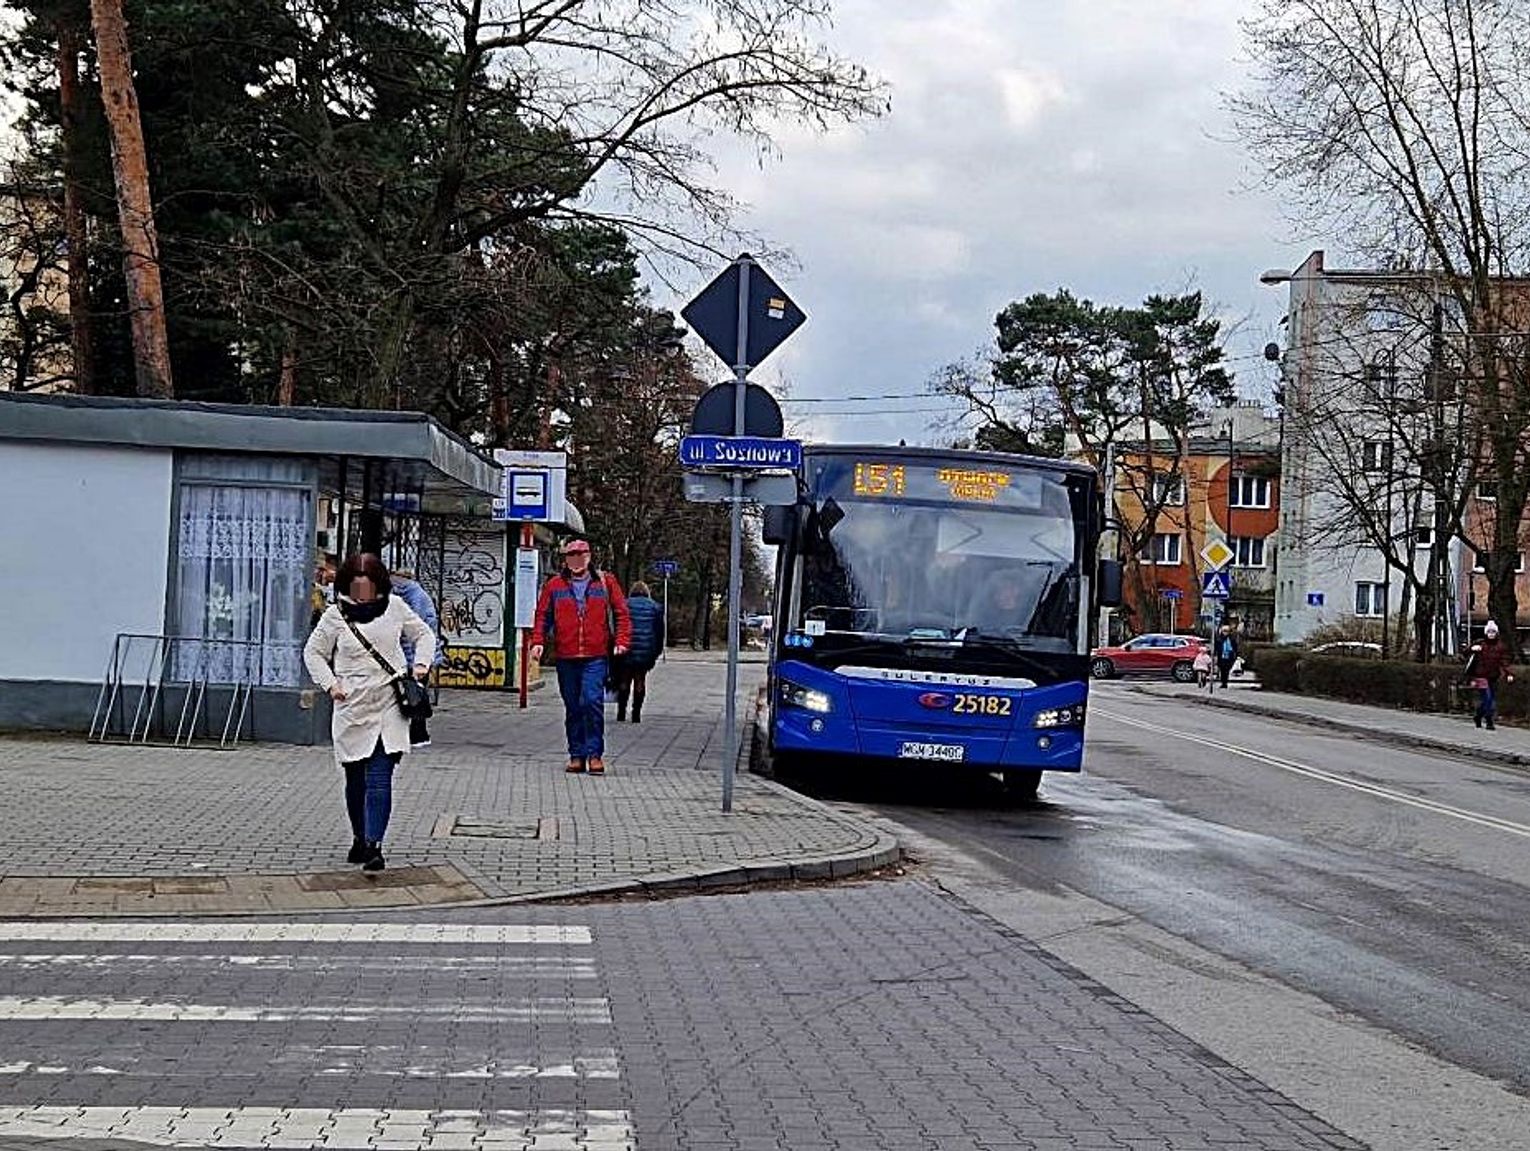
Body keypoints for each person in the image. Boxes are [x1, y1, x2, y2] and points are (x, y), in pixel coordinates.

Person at [303, 553, 435, 872]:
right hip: (351, 704)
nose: (363, 593)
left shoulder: (395, 608)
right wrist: (331, 685)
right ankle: (359, 837)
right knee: (355, 778)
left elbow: (424, 634)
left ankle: (375, 844)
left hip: (389, 700)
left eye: (369, 587)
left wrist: (420, 665)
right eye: (357, 587)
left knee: (379, 776)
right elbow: (314, 652)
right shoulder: (336, 615)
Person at [529, 538, 632, 775]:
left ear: (589, 557)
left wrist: (622, 641)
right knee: (573, 706)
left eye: (580, 555)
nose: (576, 560)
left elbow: (622, 613)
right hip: (566, 656)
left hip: (596, 655)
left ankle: (594, 754)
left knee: (591, 701)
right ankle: (577, 754)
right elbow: (543, 615)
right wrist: (538, 641)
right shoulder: (554, 585)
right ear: (566, 560)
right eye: (571, 555)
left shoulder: (606, 583)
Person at [390, 568, 444, 747]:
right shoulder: (414, 594)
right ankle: (415, 732)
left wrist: (418, 660)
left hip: (418, 656)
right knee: (414, 692)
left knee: (415, 693)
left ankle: (418, 733)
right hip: (418, 655)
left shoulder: (414, 596)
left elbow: (417, 629)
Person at [614, 581, 665, 723]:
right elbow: (659, 631)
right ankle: (636, 713)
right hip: (646, 649)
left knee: (624, 679)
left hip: (626, 648)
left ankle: (621, 711)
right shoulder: (655, 607)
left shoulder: (624, 604)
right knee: (640, 680)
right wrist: (656, 651)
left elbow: (616, 627)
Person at [1464, 619, 1515, 730]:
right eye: (1489, 632)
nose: (1491, 634)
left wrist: (1509, 674)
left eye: (1493, 632)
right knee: (1488, 699)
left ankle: (1478, 716)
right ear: (1486, 633)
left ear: (1496, 633)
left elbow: (1504, 661)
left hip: (1493, 676)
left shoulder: (1500, 647)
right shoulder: (1480, 644)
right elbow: (1465, 652)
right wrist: (1472, 649)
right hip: (1481, 676)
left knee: (1489, 699)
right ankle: (1489, 721)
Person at [1215, 624, 1240, 689]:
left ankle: (1225, 683)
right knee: (1222, 670)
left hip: (1229, 657)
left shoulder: (1231, 639)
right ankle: (1223, 683)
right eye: (1224, 631)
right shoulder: (1219, 639)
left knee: (1226, 670)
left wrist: (1236, 655)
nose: (1225, 632)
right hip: (1221, 657)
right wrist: (1215, 655)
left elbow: (1235, 647)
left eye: (1226, 631)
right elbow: (1217, 648)